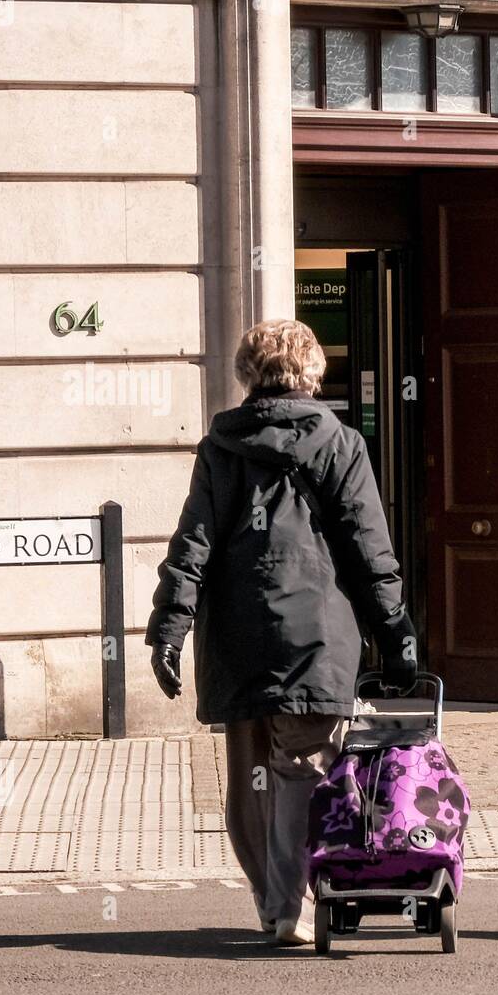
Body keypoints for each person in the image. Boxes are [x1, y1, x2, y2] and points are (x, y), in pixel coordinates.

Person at [146, 319, 417, 944]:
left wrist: (170, 628)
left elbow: (194, 544)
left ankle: (274, 901)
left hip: (239, 634)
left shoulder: (220, 448)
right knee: (299, 763)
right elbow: (366, 547)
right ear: (314, 373)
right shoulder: (340, 442)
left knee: (249, 774)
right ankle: (288, 903)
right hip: (315, 633)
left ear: (249, 373)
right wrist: (396, 630)